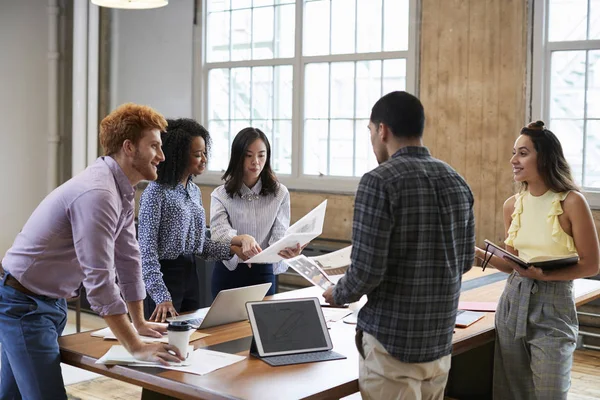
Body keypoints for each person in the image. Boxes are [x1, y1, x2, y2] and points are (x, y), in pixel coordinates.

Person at [0, 103, 186, 400]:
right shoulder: (99, 193)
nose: (162, 157)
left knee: (11, 395)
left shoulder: (120, 188)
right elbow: (99, 279)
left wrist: (138, 322)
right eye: (154, 146)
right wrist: (135, 346)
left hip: (47, 301)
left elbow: (127, 258)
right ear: (129, 147)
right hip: (24, 304)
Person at [322, 91, 475, 400]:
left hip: (392, 345)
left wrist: (336, 293)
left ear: (383, 130)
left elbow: (367, 271)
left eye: (370, 131)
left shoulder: (379, 181)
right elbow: (466, 260)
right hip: (439, 343)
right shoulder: (457, 180)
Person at [474, 121, 600, 399]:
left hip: (554, 305)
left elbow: (591, 265)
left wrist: (545, 276)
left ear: (544, 157)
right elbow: (512, 265)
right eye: (513, 153)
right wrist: (476, 252)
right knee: (514, 392)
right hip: (513, 301)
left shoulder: (571, 202)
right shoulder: (512, 205)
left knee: (550, 393)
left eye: (522, 153)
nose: (513, 161)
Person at [138, 118, 260, 322]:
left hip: (190, 276)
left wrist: (232, 248)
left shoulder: (193, 191)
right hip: (163, 280)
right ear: (178, 156)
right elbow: (146, 252)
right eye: (197, 154)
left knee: (191, 340)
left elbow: (200, 244)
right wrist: (162, 297)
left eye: (205, 152)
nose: (204, 159)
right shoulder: (155, 192)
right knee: (162, 344)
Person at [210, 127, 303, 298]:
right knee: (226, 325)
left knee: (262, 323)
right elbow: (219, 233)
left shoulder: (280, 193)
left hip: (263, 273)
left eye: (261, 155)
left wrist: (289, 249)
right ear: (238, 156)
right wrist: (243, 238)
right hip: (229, 271)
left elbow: (279, 237)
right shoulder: (220, 194)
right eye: (248, 155)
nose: (256, 162)